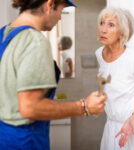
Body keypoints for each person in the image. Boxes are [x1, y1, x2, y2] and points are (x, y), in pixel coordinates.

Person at [0, 0, 107, 150]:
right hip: (24, 141)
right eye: (61, 11)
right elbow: (30, 107)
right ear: (50, 5)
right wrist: (84, 106)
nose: (60, 18)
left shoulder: (4, 34)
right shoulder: (34, 41)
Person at [95, 7, 134, 150]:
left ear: (122, 32)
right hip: (111, 128)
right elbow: (109, 82)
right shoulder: (99, 54)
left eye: (111, 25)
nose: (103, 29)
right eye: (102, 23)